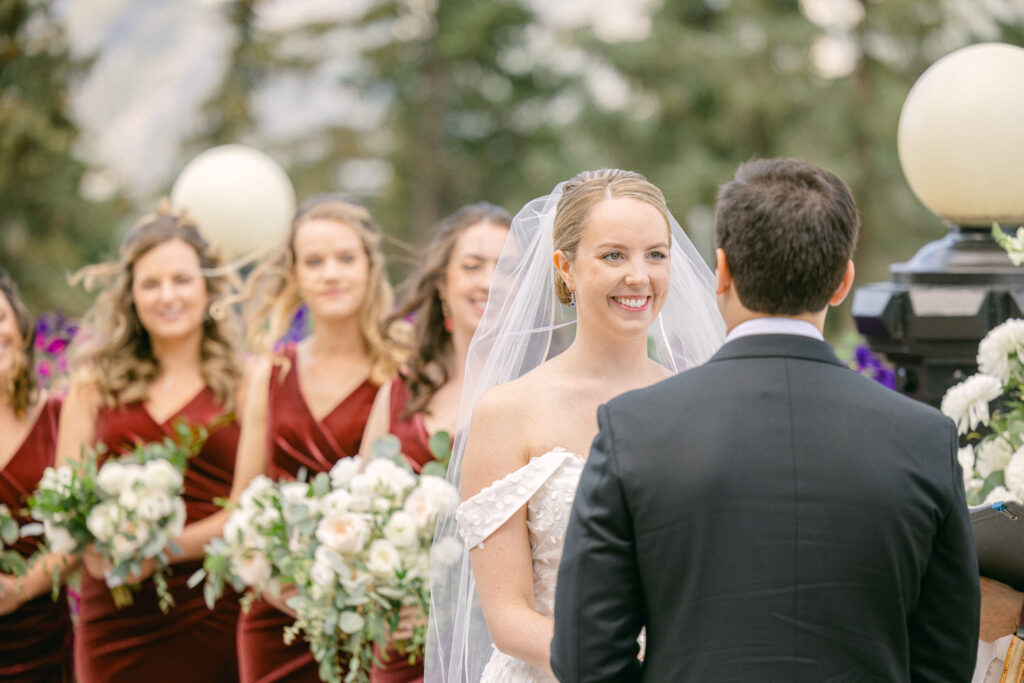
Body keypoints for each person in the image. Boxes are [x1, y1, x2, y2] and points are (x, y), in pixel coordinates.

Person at [550, 158, 981, 682]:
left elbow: (585, 657)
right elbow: (945, 661)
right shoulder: (924, 438)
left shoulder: (633, 430)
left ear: (722, 270)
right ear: (843, 281)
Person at [426, 169, 725, 682]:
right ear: (565, 267)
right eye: (614, 255)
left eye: (656, 254)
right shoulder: (506, 413)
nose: (639, 275)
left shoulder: (703, 401)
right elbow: (507, 616)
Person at [57, 206, 245, 682]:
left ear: (207, 288)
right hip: (115, 616)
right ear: (131, 295)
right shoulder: (93, 383)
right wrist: (94, 545)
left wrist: (159, 550)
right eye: (151, 283)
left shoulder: (242, 385)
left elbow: (247, 509)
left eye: (181, 280)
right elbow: (66, 498)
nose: (168, 296)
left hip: (213, 610)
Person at [230, 195, 406, 682]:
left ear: (371, 267)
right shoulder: (272, 371)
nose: (331, 273)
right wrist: (279, 588)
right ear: (295, 276)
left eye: (346, 258)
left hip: (367, 610)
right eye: (314, 261)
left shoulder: (399, 371)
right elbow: (243, 503)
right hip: (274, 615)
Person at [361, 202, 511, 682]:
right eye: (472, 266)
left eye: (506, 267)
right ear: (443, 283)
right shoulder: (401, 388)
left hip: (501, 646)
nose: (488, 281)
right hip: (404, 641)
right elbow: (362, 510)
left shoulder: (543, 388)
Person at [0, 269, 74, 681]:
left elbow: (84, 533)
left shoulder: (61, 417)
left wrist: (18, 590)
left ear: (20, 325)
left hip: (44, 648)